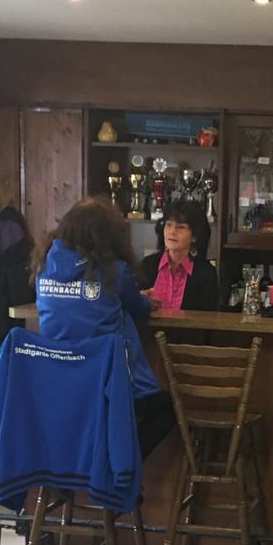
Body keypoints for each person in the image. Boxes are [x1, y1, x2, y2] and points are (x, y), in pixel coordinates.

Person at [34, 196, 175, 460]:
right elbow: (138, 308)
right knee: (168, 408)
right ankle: (119, 464)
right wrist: (144, 300)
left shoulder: (44, 267)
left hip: (61, 384)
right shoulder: (114, 271)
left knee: (91, 416)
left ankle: (88, 465)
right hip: (108, 383)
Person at [138, 200, 220, 311]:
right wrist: (139, 299)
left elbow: (208, 318)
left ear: (194, 236)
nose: (172, 231)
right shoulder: (147, 265)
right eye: (168, 225)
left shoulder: (206, 273)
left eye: (180, 227)